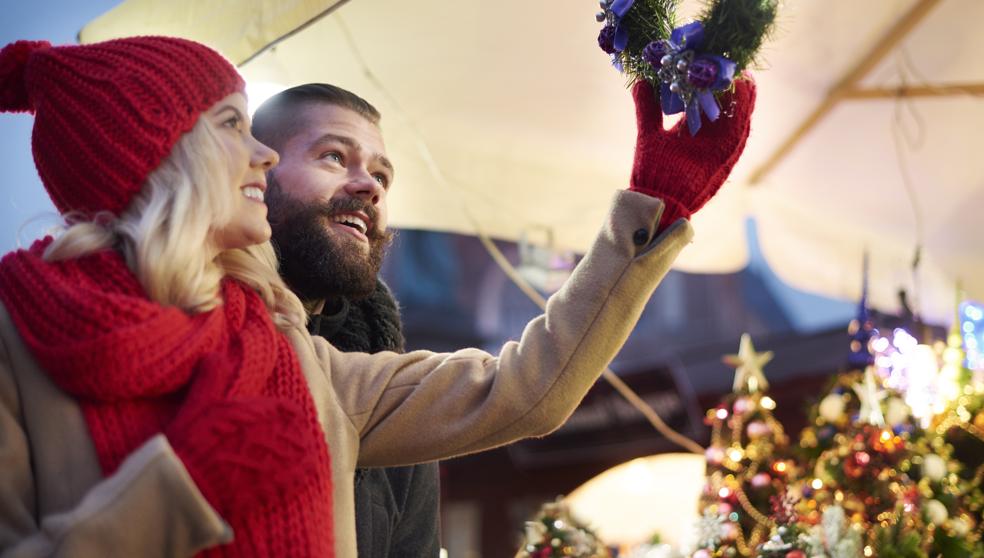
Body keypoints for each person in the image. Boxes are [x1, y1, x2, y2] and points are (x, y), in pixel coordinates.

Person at [0, 36, 754, 558]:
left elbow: (524, 390)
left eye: (383, 175)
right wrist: (182, 491)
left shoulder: (299, 358)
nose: (257, 152)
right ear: (163, 152)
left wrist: (655, 206)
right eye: (234, 125)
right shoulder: (15, 345)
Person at [251, 84, 439, 558]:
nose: (370, 187)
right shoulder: (183, 330)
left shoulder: (389, 391)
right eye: (334, 156)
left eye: (381, 175)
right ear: (256, 173)